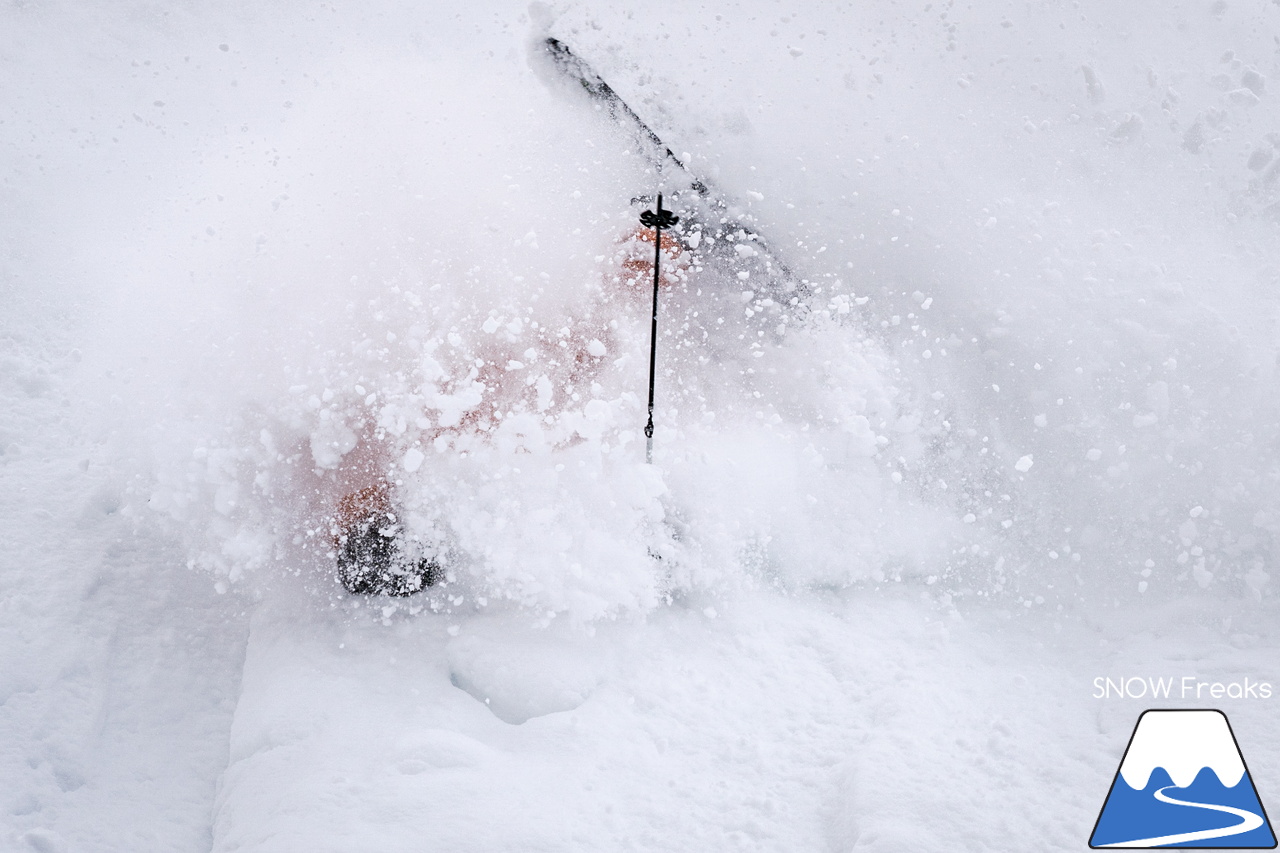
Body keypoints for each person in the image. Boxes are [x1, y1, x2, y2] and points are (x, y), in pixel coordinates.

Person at [331, 223, 687, 596]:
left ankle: (651, 249)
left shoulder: (396, 439)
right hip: (523, 294)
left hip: (496, 284)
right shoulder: (413, 449)